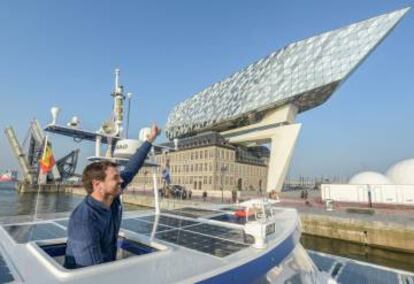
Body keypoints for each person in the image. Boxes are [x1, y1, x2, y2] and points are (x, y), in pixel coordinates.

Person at [64, 125, 160, 269]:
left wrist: (150, 139)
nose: (122, 181)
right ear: (98, 184)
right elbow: (92, 272)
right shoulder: (84, 221)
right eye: (116, 177)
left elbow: (132, 168)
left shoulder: (112, 197)